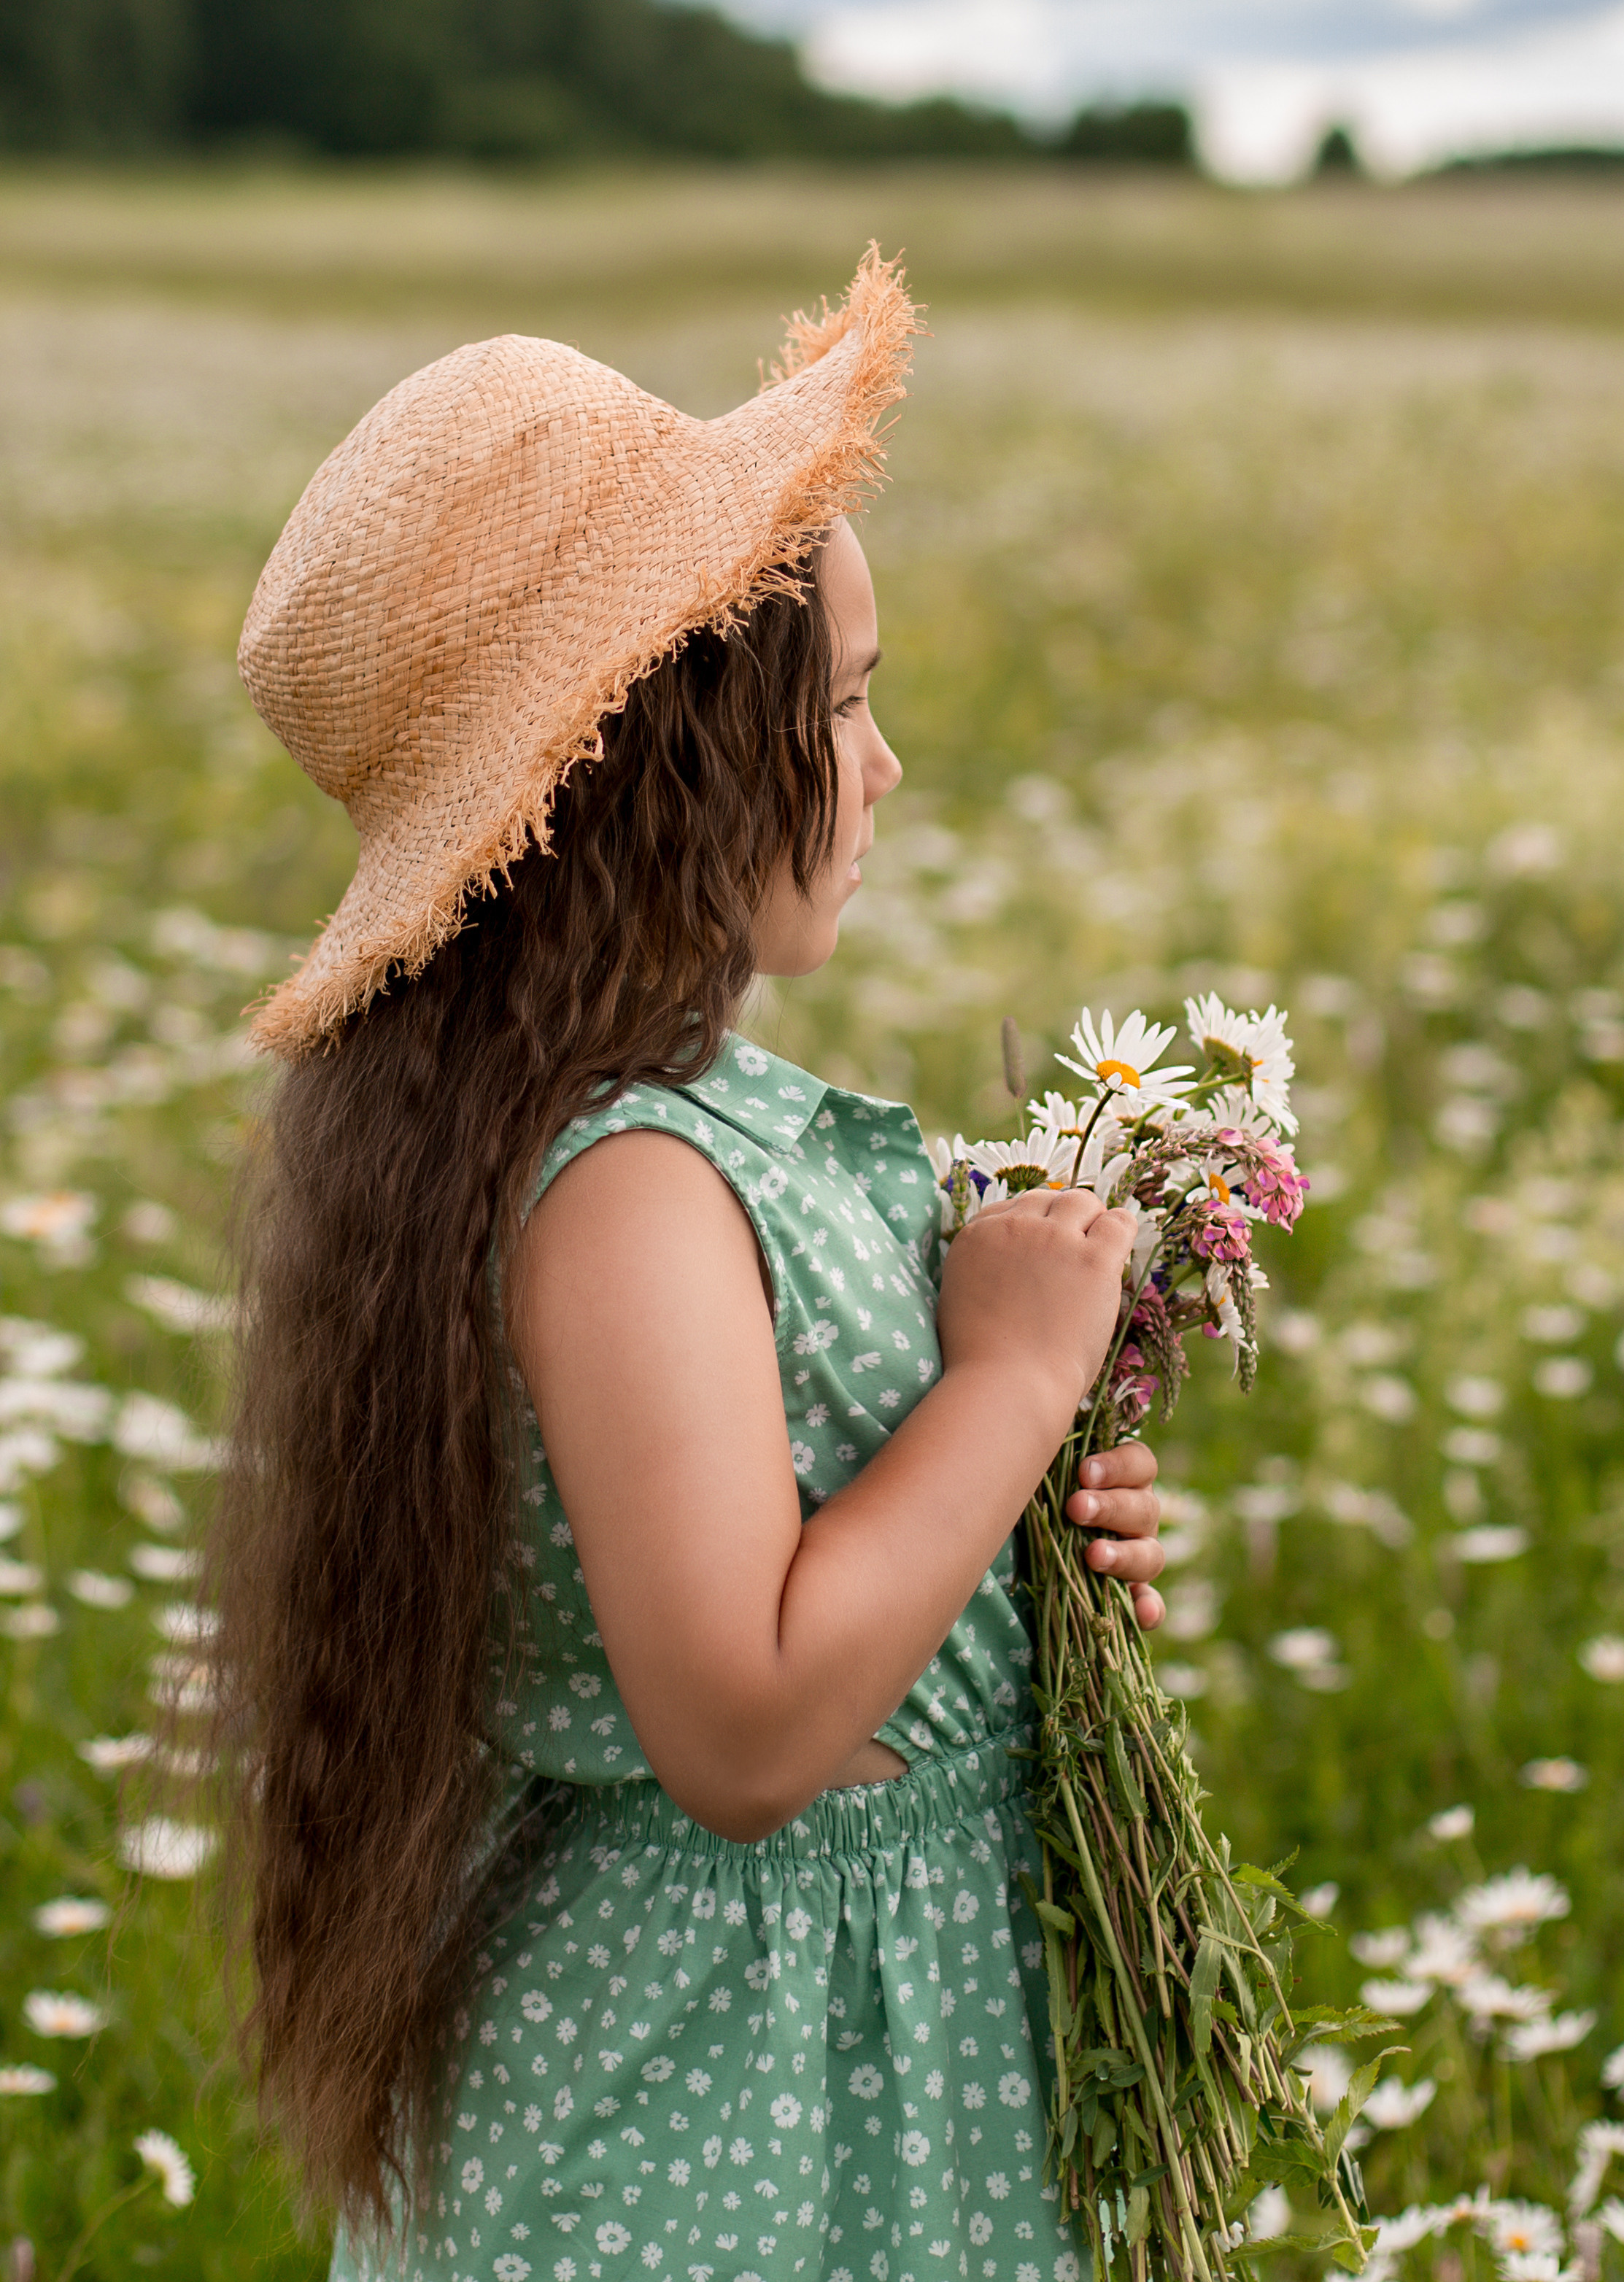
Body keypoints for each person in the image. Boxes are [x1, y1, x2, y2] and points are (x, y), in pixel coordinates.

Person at [210, 247, 1167, 2282]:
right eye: (843, 707)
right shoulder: (627, 1187)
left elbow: (794, 1559)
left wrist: (1015, 1544)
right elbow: (739, 1727)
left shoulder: (650, 1128)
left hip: (817, 2028)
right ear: (669, 766)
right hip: (728, 2093)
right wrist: (1001, 1383)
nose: (884, 769)